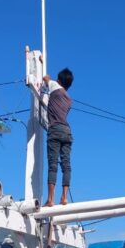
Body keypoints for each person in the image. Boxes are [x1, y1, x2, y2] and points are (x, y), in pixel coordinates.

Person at [42, 68, 74, 206]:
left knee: (52, 164)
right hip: (67, 131)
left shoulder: (55, 86)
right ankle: (64, 198)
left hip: (54, 129)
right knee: (66, 165)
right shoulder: (69, 99)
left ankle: (50, 199)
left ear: (59, 80)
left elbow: (46, 77)